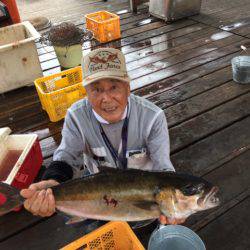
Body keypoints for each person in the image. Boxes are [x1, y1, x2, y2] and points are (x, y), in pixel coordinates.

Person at [21, 47, 179, 224]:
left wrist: (175, 203)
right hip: (97, 188)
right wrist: (53, 181)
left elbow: (164, 168)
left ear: (128, 88)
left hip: (145, 195)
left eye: (114, 87)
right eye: (96, 89)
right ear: (86, 92)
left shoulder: (153, 117)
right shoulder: (76, 116)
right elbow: (66, 156)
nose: (106, 98)